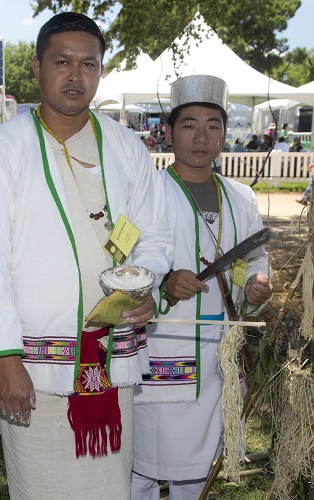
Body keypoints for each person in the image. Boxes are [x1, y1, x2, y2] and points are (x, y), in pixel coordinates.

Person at [0, 12, 173, 499]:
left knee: (110, 488)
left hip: (112, 357)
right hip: (37, 370)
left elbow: (156, 233)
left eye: (89, 64)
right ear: (37, 68)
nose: (76, 75)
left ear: (101, 72)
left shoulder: (126, 147)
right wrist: (6, 360)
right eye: (62, 62)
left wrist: (147, 286)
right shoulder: (1, 150)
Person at [132, 74, 272, 499]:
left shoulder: (241, 197)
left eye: (213, 125)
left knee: (203, 470)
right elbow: (121, 260)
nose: (201, 136)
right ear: (169, 131)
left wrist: (255, 285)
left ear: (225, 134)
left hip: (222, 354)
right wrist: (162, 284)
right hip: (163, 348)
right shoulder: (146, 192)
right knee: (144, 465)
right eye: (189, 124)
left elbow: (256, 257)